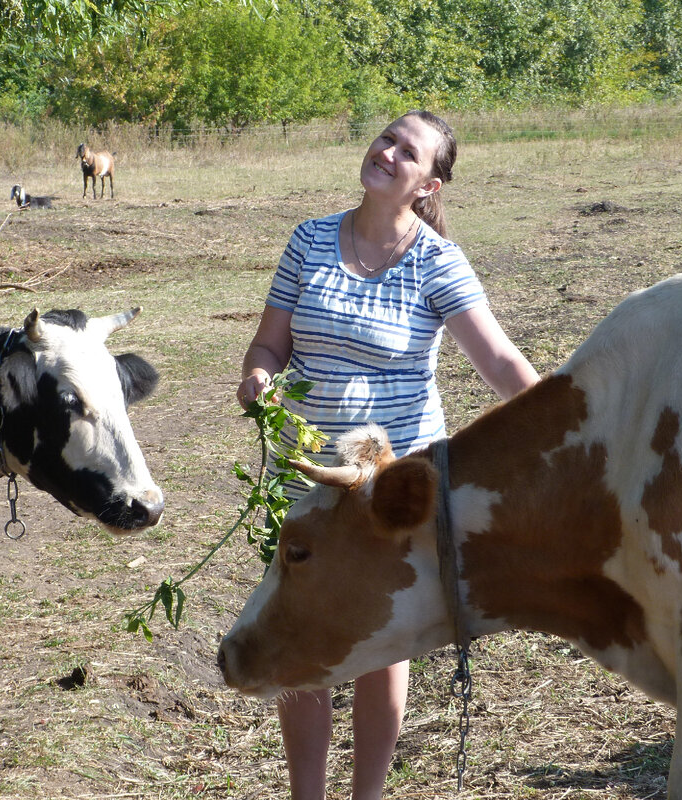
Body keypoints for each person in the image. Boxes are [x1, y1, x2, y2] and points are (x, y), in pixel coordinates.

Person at [235, 109, 540, 800]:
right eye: (386, 138)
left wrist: (561, 422)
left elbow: (498, 361)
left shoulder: (437, 262)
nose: (388, 152)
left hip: (391, 488)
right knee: (302, 638)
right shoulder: (309, 241)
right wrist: (256, 374)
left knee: (381, 650)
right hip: (306, 475)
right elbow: (270, 344)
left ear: (428, 185)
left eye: (408, 151)